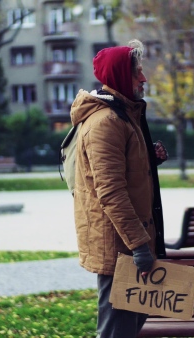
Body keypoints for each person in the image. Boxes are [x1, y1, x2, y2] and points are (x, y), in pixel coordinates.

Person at [70, 39, 168, 338]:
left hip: (128, 243)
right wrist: (140, 248)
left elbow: (123, 174)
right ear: (120, 77)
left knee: (129, 327)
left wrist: (147, 159)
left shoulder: (123, 117)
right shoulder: (106, 122)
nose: (144, 78)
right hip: (120, 248)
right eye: (137, 72)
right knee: (116, 331)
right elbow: (110, 191)